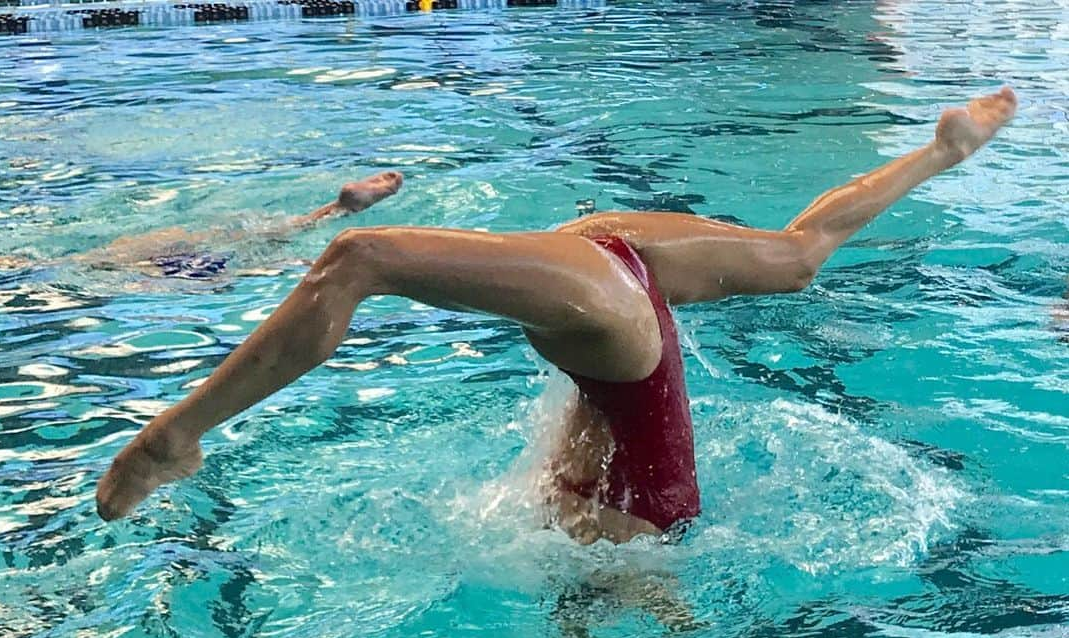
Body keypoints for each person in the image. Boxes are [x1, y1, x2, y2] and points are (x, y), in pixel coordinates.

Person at [94, 88, 1018, 544]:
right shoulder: (629, 536)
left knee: (798, 251)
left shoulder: (635, 523)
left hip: (619, 276)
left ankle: (943, 151)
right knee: (357, 259)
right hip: (615, 312)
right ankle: (174, 436)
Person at [0, 172, 405, 278]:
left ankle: (336, 213)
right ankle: (336, 210)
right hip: (160, 252)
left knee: (269, 257)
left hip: (151, 268)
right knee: (266, 241)